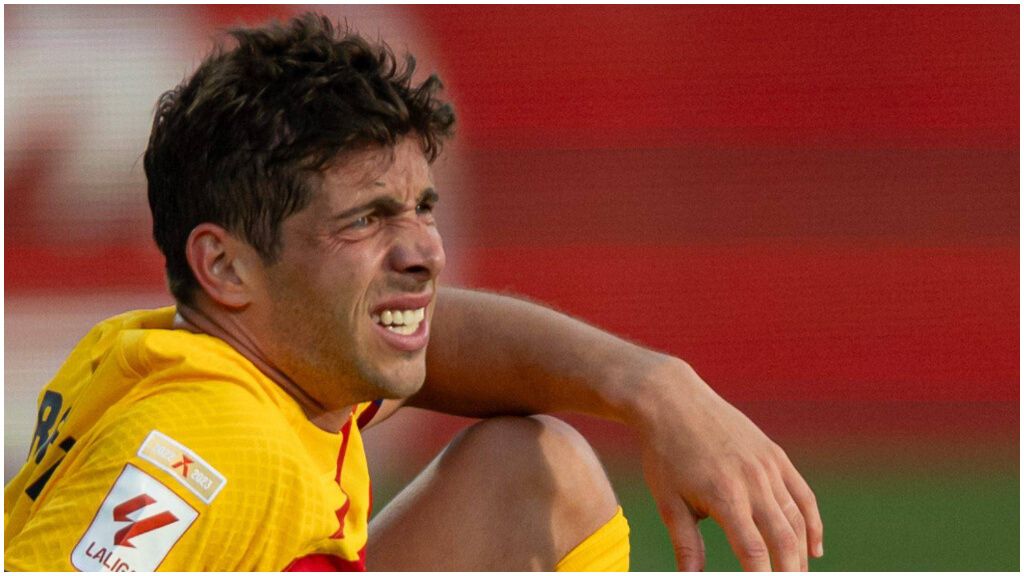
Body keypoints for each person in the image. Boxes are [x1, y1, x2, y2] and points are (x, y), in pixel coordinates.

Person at [4, 13, 823, 572]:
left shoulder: (251, 368)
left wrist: (653, 388)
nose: (425, 253)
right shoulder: (215, 451)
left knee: (530, 475)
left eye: (420, 208)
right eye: (365, 220)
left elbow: (444, 343)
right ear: (225, 267)